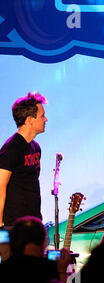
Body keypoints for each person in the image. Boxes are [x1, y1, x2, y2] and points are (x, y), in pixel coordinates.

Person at [0, 92, 48, 229]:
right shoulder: (11, 149)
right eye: (42, 116)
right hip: (14, 226)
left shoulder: (36, 148)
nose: (46, 119)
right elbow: (0, 187)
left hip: (33, 223)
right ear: (29, 120)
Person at [0, 216, 72, 283]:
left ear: (12, 241)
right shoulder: (50, 270)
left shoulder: (4, 270)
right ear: (44, 242)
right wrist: (62, 271)